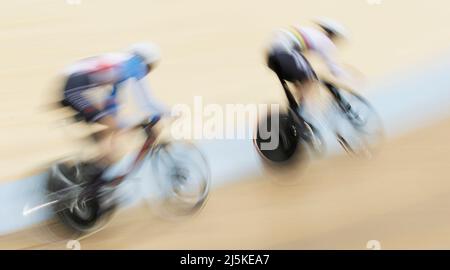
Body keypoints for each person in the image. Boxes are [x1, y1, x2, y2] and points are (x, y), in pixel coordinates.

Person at [60, 42, 170, 184]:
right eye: (149, 68)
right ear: (147, 61)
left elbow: (112, 101)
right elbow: (146, 102)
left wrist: (123, 124)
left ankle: (92, 173)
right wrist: (170, 112)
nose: (147, 72)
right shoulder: (135, 64)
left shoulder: (122, 65)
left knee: (114, 128)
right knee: (111, 130)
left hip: (74, 85)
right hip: (75, 89)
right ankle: (91, 175)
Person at [266, 17, 354, 113]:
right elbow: (334, 68)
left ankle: (295, 113)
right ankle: (304, 113)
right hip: (284, 53)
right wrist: (350, 79)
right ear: (333, 34)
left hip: (272, 55)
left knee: (302, 80)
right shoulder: (325, 41)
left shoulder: (312, 33)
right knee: (310, 80)